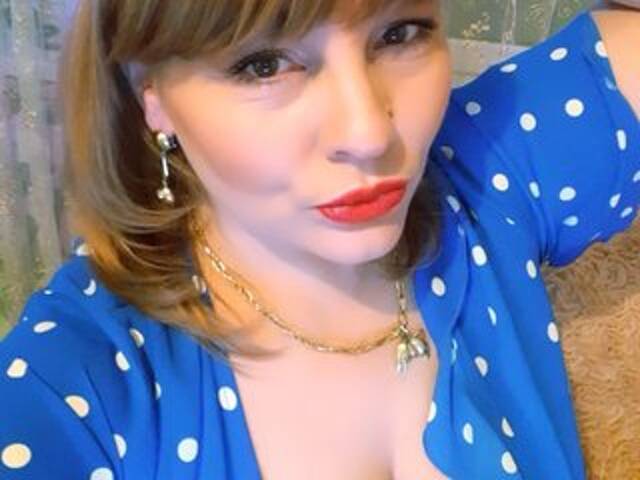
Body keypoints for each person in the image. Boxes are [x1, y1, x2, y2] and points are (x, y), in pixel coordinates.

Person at [0, 0, 638, 478]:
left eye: (399, 33)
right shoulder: (81, 380)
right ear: (153, 96)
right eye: (263, 64)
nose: (368, 134)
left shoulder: (485, 172)